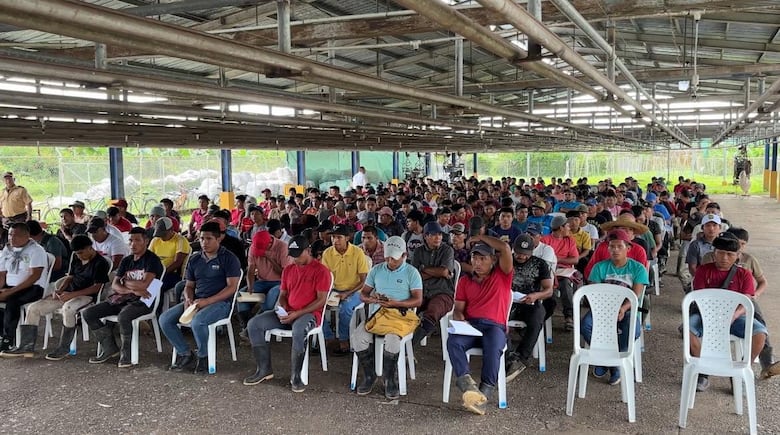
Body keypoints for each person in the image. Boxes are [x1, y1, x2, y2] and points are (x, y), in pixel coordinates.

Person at [242, 235, 330, 392]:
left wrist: (297, 313)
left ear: (308, 250)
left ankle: (296, 376)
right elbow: (283, 294)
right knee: (254, 324)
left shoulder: (321, 271)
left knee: (298, 330)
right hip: (288, 311)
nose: (295, 259)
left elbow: (321, 300)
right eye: (293, 255)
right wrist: (282, 307)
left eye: (298, 254)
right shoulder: (288, 270)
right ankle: (264, 369)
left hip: (309, 313)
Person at [0, 235, 109, 360]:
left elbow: (96, 287)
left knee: (68, 309)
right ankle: (26, 346)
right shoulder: (76, 257)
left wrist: (71, 295)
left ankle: (64, 347)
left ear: (90, 248)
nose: (79, 256)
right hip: (68, 293)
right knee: (33, 308)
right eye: (76, 254)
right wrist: (60, 290)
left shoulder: (101, 263)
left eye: (81, 253)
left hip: (86, 296)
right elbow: (70, 277)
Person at [689, 234, 771, 392]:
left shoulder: (744, 274)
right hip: (705, 315)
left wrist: (733, 315)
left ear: (737, 256)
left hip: (736, 317)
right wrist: (712, 317)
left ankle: (741, 369)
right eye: (720, 252)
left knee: (760, 334)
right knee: (689, 331)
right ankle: (703, 370)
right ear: (714, 253)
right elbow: (700, 296)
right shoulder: (703, 271)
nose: (724, 258)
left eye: (730, 254)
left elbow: (746, 300)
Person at [161, 221, 241, 374]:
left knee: (198, 322)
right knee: (165, 319)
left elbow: (232, 287)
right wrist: (188, 298)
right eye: (202, 238)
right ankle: (185, 353)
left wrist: (207, 301)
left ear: (219, 239)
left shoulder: (229, 259)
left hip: (221, 303)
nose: (204, 242)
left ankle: (203, 356)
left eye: (209, 239)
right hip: (197, 301)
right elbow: (189, 285)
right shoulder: (195, 259)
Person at [446, 234, 513, 416]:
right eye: (474, 258)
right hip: (471, 326)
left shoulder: (502, 275)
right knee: (453, 341)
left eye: (482, 258)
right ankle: (468, 385)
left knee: (493, 347)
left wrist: (479, 237)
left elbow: (505, 249)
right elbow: (458, 308)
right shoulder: (465, 281)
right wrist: (459, 317)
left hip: (494, 326)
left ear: (493, 260)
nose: (477, 262)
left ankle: (484, 393)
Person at [81, 227, 163, 368]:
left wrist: (125, 282)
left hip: (144, 301)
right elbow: (115, 285)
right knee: (88, 313)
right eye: (130, 240)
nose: (133, 244)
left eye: (137, 240)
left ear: (146, 241)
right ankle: (110, 348)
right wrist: (130, 289)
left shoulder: (152, 260)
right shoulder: (127, 260)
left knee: (124, 316)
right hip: (122, 298)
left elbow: (144, 286)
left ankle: (127, 354)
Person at [352, 236, 423, 399]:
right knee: (357, 337)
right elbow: (363, 294)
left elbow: (418, 300)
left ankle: (389, 378)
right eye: (388, 257)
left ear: (404, 255)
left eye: (395, 258)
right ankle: (370, 375)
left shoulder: (412, 273)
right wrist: (373, 299)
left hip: (400, 315)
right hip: (378, 315)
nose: (390, 261)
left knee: (392, 340)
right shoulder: (376, 270)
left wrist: (397, 303)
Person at [582, 229, 648, 386]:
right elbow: (594, 294)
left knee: (634, 331)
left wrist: (623, 309)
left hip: (627, 310)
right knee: (586, 325)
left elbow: (636, 296)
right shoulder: (599, 267)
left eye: (619, 246)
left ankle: (613, 359)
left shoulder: (638, 268)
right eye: (612, 246)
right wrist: (607, 311)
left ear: (628, 248)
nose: (615, 250)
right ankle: (611, 363)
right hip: (602, 309)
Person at [505, 234, 553, 380]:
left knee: (537, 318)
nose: (521, 256)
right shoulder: (506, 262)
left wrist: (536, 295)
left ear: (532, 252)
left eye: (525, 254)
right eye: (518, 252)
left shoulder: (540, 264)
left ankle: (520, 358)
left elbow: (548, 290)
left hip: (530, 300)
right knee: (497, 319)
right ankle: (507, 354)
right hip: (508, 300)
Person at [321, 224, 370, 356]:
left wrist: (347, 293)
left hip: (355, 290)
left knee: (346, 308)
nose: (335, 240)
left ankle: (344, 339)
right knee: (317, 305)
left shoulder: (357, 252)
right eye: (333, 237)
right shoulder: (327, 253)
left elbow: (363, 281)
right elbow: (324, 278)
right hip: (334, 289)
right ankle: (328, 336)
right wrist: (328, 293)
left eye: (338, 237)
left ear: (347, 238)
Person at [0, 222, 48, 352]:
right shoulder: (7, 249)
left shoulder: (36, 250)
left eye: (15, 236)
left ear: (26, 236)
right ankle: (1, 334)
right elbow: (2, 273)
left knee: (12, 301)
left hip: (33, 287)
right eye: (10, 235)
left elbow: (34, 276)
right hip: (10, 286)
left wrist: (10, 291)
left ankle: (7, 339)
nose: (11, 238)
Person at [410, 222, 455, 346]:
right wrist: (437, 271)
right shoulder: (418, 251)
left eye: (440, 234)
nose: (438, 237)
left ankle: (409, 345)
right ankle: (399, 342)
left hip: (442, 292)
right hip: (422, 291)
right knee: (406, 307)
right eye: (434, 235)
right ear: (425, 236)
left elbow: (444, 271)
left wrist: (424, 268)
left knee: (433, 311)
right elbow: (415, 275)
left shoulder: (447, 250)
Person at [237, 229, 291, 330]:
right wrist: (250, 286)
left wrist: (269, 258)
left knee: (271, 297)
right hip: (262, 281)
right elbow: (251, 269)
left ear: (270, 242)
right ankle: (247, 325)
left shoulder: (282, 247)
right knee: (242, 295)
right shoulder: (254, 247)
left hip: (280, 282)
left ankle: (259, 323)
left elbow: (285, 273)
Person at [541, 215, 579, 331]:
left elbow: (575, 259)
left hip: (563, 271)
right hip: (547, 271)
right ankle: (544, 314)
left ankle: (569, 316)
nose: (569, 228)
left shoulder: (569, 240)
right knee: (547, 287)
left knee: (566, 284)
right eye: (567, 225)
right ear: (561, 227)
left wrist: (556, 259)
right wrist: (553, 262)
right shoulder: (545, 240)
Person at [148, 217, 192, 293]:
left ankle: (151, 304)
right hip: (155, 272)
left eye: (163, 234)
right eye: (159, 234)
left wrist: (161, 273)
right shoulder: (155, 240)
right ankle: (137, 302)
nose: (161, 237)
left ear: (171, 230)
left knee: (155, 286)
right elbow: (148, 257)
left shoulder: (180, 240)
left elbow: (178, 262)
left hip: (171, 274)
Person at [0, 172, 33, 244]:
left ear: (13, 179)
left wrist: (29, 216)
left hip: (19, 218)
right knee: (7, 238)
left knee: (20, 236)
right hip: (6, 219)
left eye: (10, 178)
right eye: (6, 179)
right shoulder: (2, 192)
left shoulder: (21, 190)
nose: (8, 180)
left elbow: (28, 203)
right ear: (3, 181)